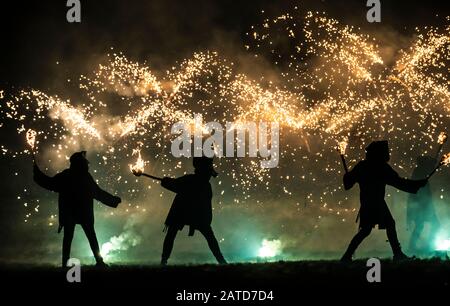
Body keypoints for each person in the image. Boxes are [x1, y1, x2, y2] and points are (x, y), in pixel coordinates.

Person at [340, 141, 427, 262]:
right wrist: (417, 184)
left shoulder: (362, 166)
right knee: (383, 226)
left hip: (367, 202)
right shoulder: (381, 167)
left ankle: (347, 256)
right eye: (386, 151)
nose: (388, 153)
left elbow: (348, 184)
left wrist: (348, 177)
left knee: (367, 230)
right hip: (376, 203)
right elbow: (398, 182)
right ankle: (397, 254)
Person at [33, 151, 121, 267]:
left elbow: (50, 183)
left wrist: (37, 173)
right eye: (85, 163)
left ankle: (66, 263)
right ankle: (99, 261)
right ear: (80, 164)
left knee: (68, 238)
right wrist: (113, 200)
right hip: (83, 212)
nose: (87, 164)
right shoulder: (85, 177)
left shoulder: (66, 175)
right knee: (90, 236)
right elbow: (98, 193)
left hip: (70, 212)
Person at [134, 156, 227, 265]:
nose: (210, 175)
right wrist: (167, 181)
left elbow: (175, 185)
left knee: (173, 235)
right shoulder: (202, 183)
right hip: (186, 212)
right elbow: (175, 185)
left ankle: (164, 261)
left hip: (185, 212)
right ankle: (221, 261)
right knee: (207, 236)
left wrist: (166, 181)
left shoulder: (194, 181)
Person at [407, 156, 440, 254]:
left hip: (423, 204)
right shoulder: (419, 171)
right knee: (428, 225)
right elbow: (430, 170)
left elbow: (430, 169)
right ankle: (426, 245)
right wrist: (436, 163)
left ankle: (417, 245)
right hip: (421, 205)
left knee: (422, 225)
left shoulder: (419, 170)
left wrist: (436, 162)